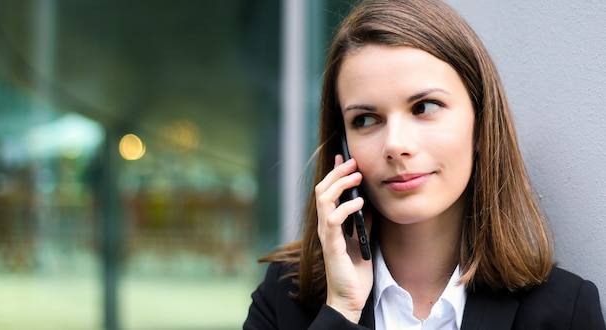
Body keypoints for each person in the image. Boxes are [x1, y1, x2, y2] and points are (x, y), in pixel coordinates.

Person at [243, 0, 606, 328]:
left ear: (481, 125)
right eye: (366, 119)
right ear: (343, 144)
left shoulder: (564, 310)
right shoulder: (283, 297)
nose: (396, 145)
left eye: (424, 107)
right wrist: (341, 309)